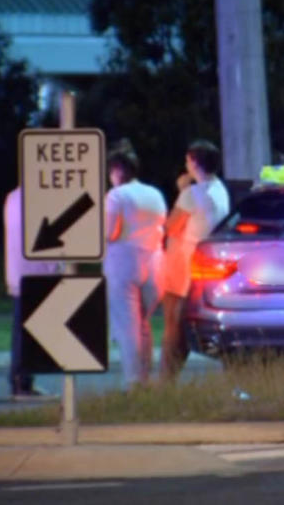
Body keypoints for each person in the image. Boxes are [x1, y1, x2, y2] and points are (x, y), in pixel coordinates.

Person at [161, 140, 229, 381]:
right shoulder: (220, 189)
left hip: (185, 266)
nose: (186, 165)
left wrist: (181, 190)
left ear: (195, 163)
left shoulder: (192, 194)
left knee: (174, 325)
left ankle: (165, 380)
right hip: (208, 265)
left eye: (188, 161)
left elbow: (170, 226)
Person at [103, 139, 167, 388]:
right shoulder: (155, 194)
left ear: (118, 170)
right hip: (154, 263)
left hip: (124, 264)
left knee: (127, 328)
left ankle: (133, 384)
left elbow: (110, 233)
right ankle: (145, 377)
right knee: (143, 325)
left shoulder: (117, 195)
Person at [3, 186, 62, 399]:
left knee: (23, 329)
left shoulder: (14, 197)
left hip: (20, 273)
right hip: (34, 273)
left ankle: (22, 380)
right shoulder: (39, 197)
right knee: (26, 332)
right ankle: (21, 382)